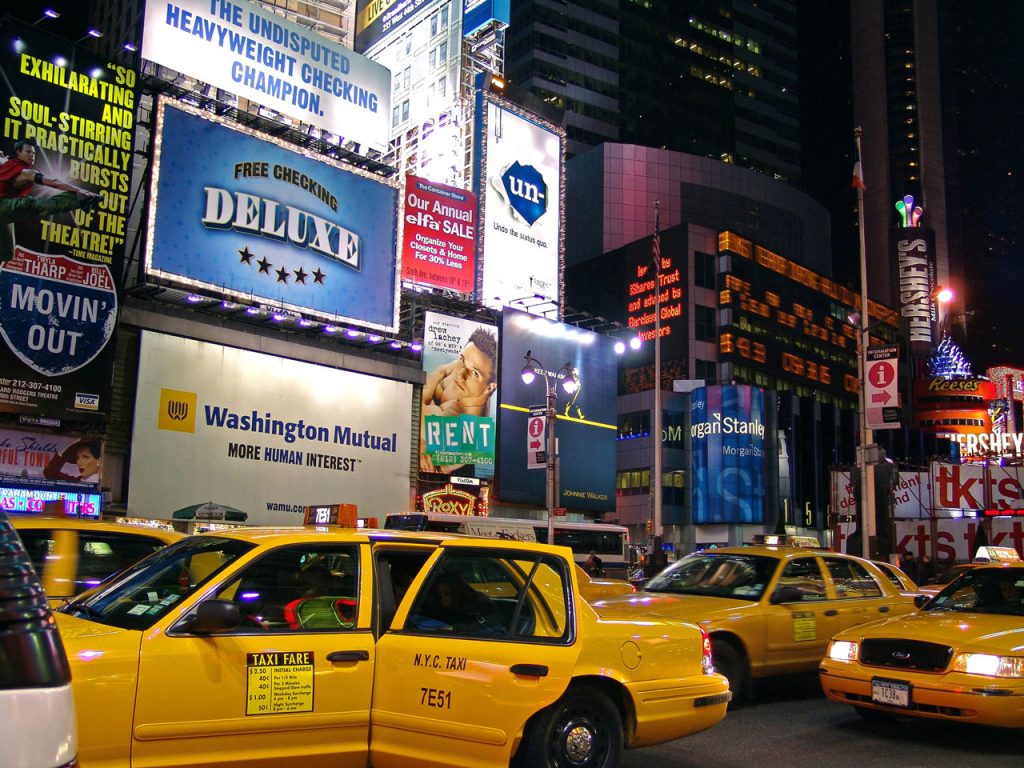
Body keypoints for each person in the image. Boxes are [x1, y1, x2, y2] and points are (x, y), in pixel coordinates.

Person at [0, 139, 101, 262]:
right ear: (18, 153)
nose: (32, 155)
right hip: (2, 206)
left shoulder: (7, 162)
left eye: (34, 153)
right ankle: (77, 200)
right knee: (31, 204)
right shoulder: (27, 172)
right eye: (28, 152)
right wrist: (79, 191)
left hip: (4, 213)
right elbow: (52, 183)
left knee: (7, 254)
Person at [419, 327, 498, 474]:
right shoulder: (455, 371)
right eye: (462, 360)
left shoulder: (466, 424)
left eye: (475, 373)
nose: (461, 375)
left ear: (490, 387)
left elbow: (416, 411)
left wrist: (421, 444)